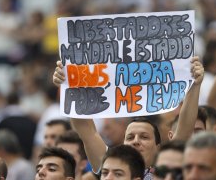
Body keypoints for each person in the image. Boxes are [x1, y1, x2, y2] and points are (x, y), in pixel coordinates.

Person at [53, 56, 204, 179]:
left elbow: (184, 129)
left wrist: (195, 85)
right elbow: (86, 130)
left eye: (144, 137)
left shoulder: (168, 169)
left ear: (159, 147)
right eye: (130, 137)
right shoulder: (109, 164)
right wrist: (68, 83)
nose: (136, 141)